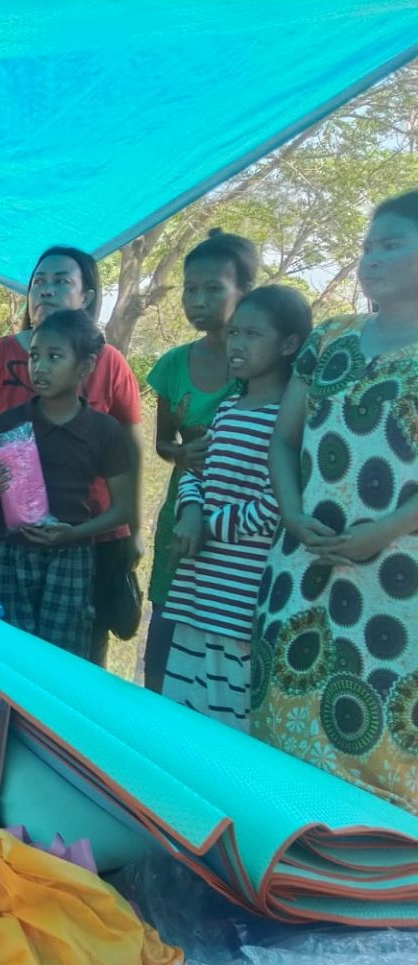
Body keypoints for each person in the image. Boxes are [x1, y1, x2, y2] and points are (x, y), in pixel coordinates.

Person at [252, 191, 418, 811]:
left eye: (392, 245)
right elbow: (284, 440)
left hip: (397, 586)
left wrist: (386, 530)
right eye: (368, 246)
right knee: (280, 727)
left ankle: (366, 864)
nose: (371, 258)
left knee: (384, 741)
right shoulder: (329, 340)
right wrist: (293, 515)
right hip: (300, 569)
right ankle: (280, 853)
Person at [0, 246, 144, 662]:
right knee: (8, 651)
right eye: (38, 282)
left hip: (87, 539)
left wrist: (132, 531)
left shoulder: (109, 367)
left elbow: (131, 450)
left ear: (86, 296)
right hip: (10, 542)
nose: (46, 290)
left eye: (61, 281)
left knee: (76, 654)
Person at [161, 286, 309, 729]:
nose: (237, 344)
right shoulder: (228, 408)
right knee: (181, 709)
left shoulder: (287, 420)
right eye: (234, 333)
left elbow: (275, 507)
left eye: (252, 335)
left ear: (289, 344)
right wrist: (190, 512)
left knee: (228, 721)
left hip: (239, 602)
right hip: (197, 589)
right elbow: (195, 471)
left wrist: (206, 526)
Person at [143, 231, 259, 691]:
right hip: (184, 512)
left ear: (244, 291)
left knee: (231, 639)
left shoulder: (265, 364)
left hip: (246, 522)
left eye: (213, 288)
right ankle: (154, 717)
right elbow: (162, 443)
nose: (198, 300)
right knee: (168, 622)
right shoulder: (173, 365)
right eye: (190, 289)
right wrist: (180, 453)